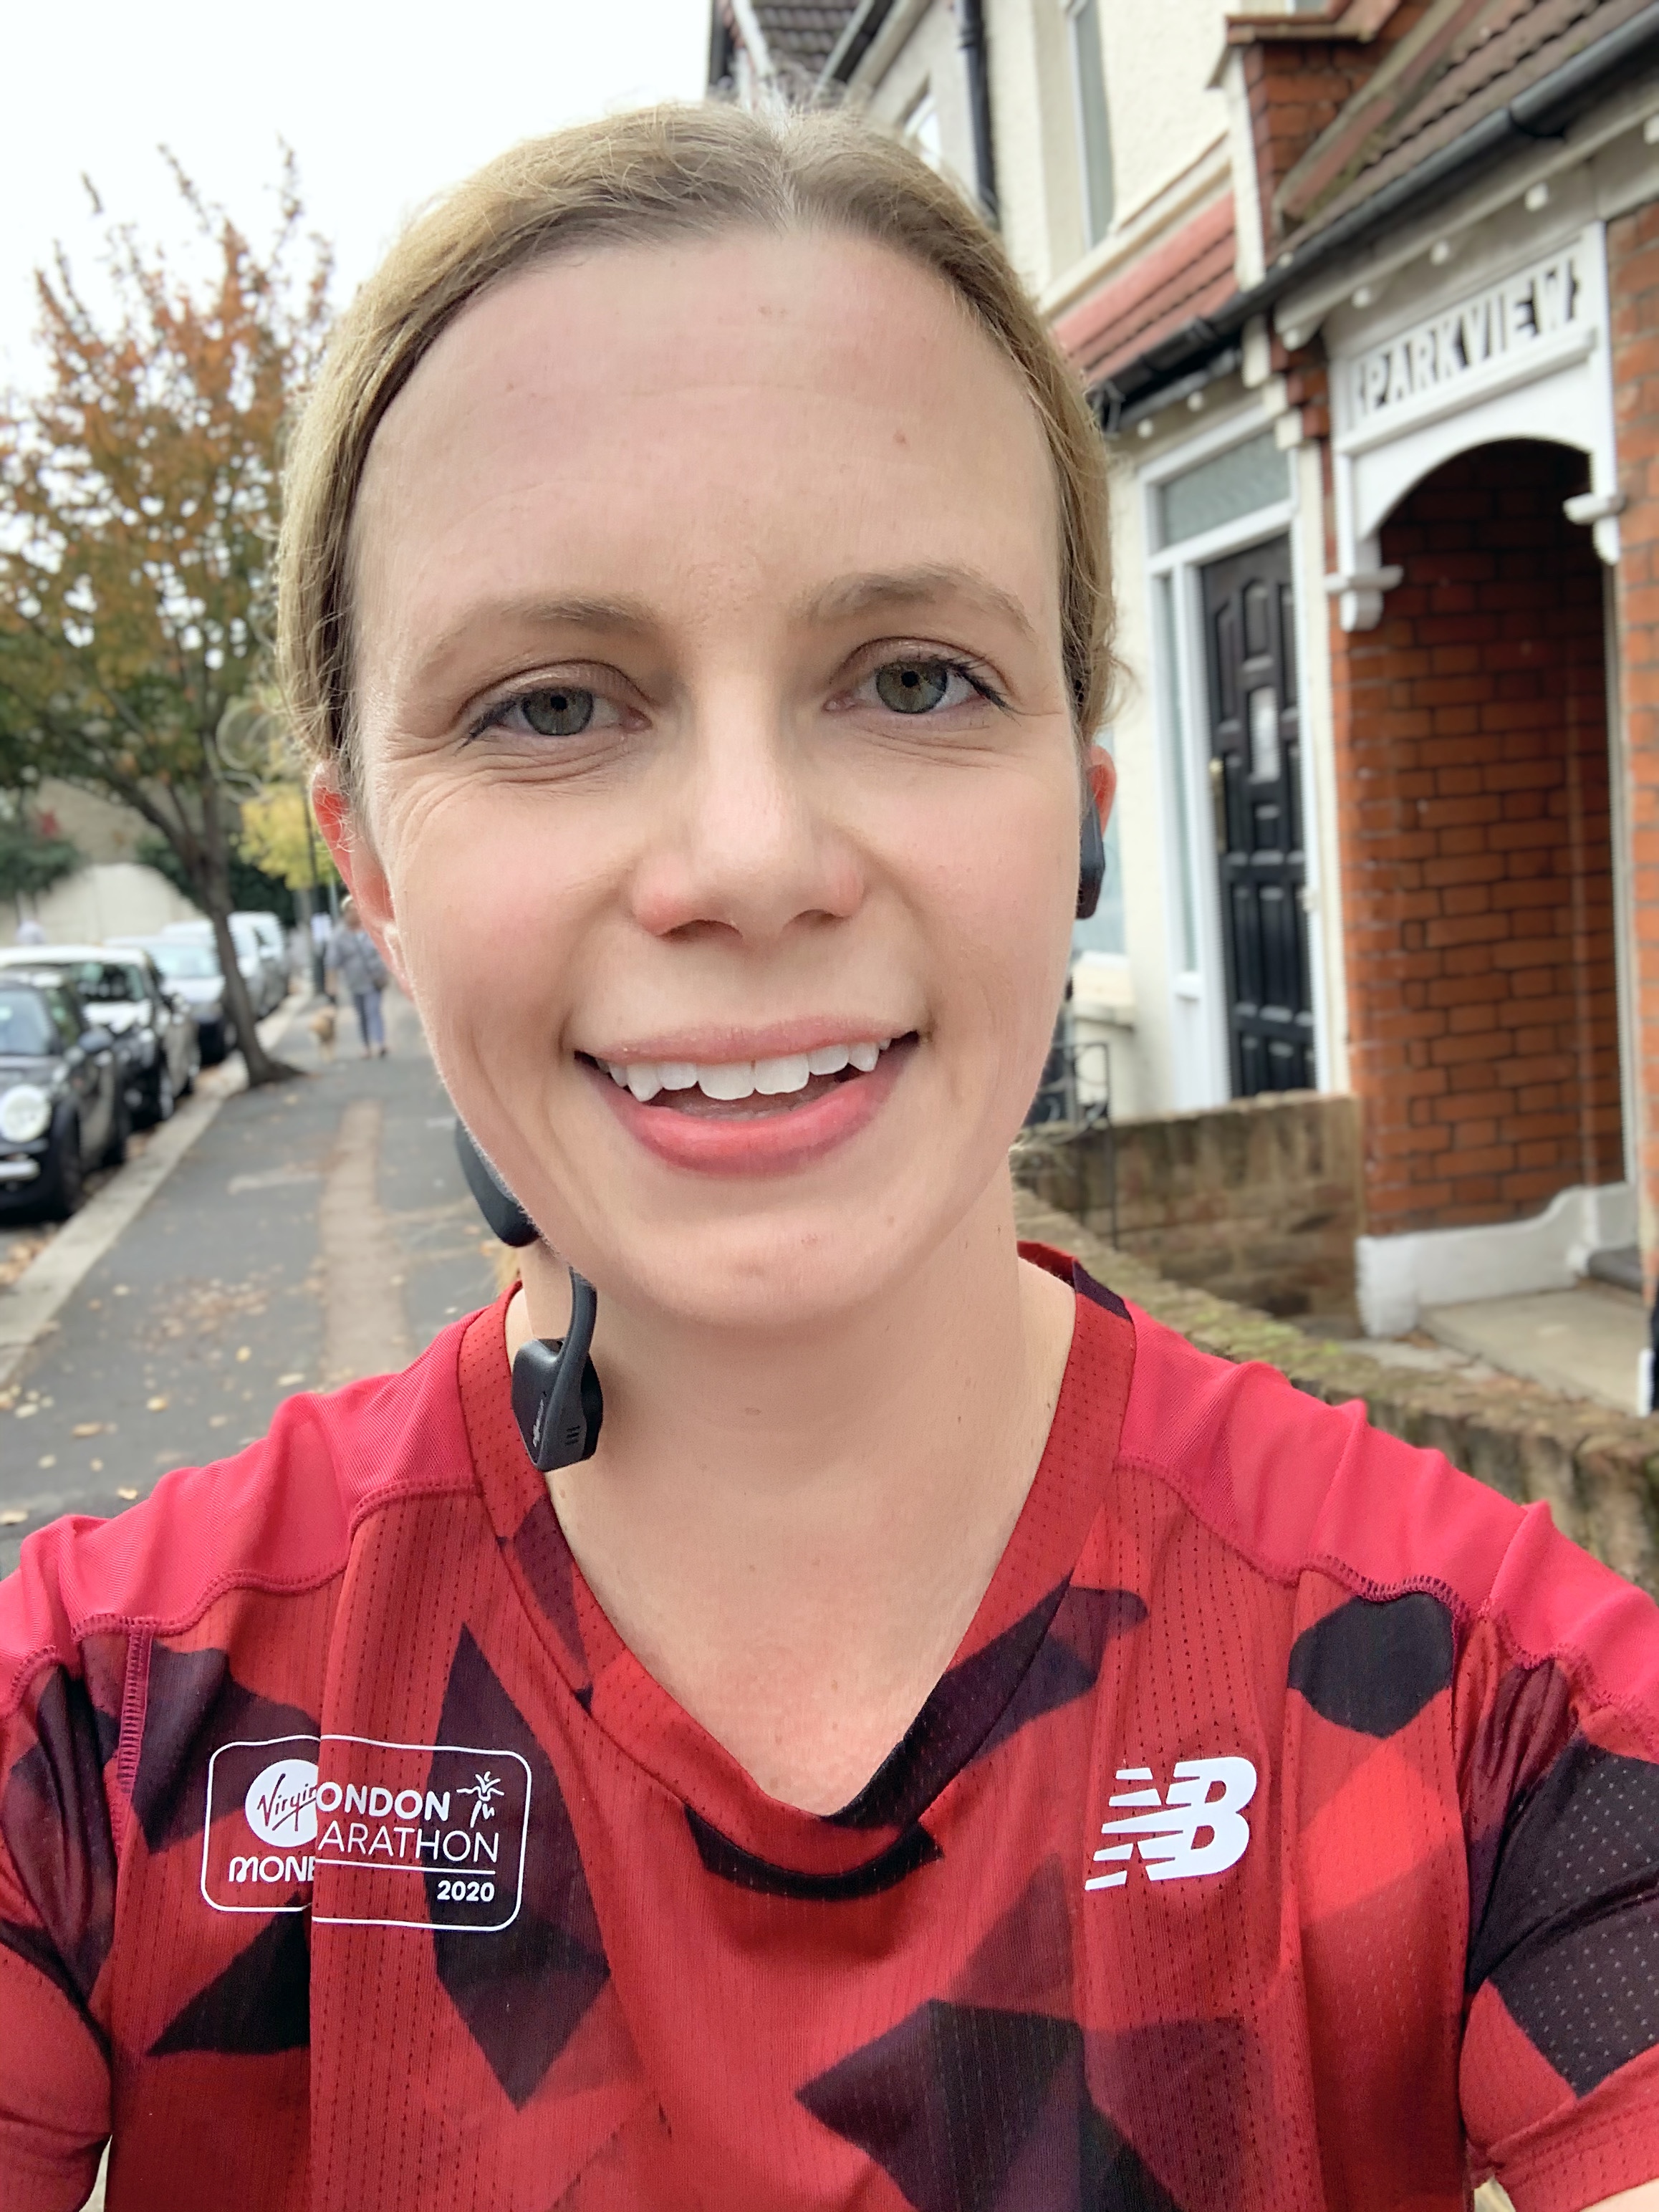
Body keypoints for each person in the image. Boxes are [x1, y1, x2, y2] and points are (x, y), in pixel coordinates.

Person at [1, 103, 1656, 2212]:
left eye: (912, 676)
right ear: (369, 868)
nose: (750, 859)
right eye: (548, 706)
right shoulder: (93, 1737)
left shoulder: (1488, 1705)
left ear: (1079, 812)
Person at [324, 893, 389, 1057]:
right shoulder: (339, 935)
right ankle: (366, 1046)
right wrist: (331, 986)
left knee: (373, 1010)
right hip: (354, 982)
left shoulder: (371, 929)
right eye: (351, 910)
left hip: (374, 979)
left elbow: (384, 951)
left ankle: (379, 1043)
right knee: (362, 1015)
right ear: (345, 913)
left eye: (357, 910)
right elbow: (332, 962)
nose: (354, 913)